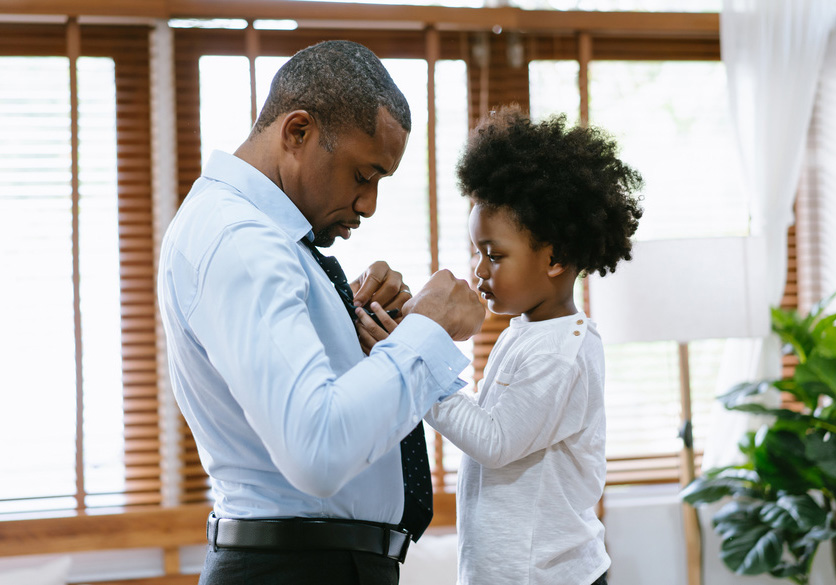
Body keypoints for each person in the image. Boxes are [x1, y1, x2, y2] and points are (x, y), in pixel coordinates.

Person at [157, 40, 485, 585]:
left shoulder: (261, 240)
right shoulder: (242, 241)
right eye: (364, 176)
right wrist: (427, 330)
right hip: (296, 568)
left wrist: (352, 332)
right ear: (298, 132)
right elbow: (318, 452)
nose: (369, 205)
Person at [358, 106, 643, 585]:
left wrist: (416, 363)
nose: (479, 270)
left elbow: (495, 440)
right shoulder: (529, 333)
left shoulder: (561, 351)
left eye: (495, 255)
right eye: (476, 252)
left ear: (555, 257)